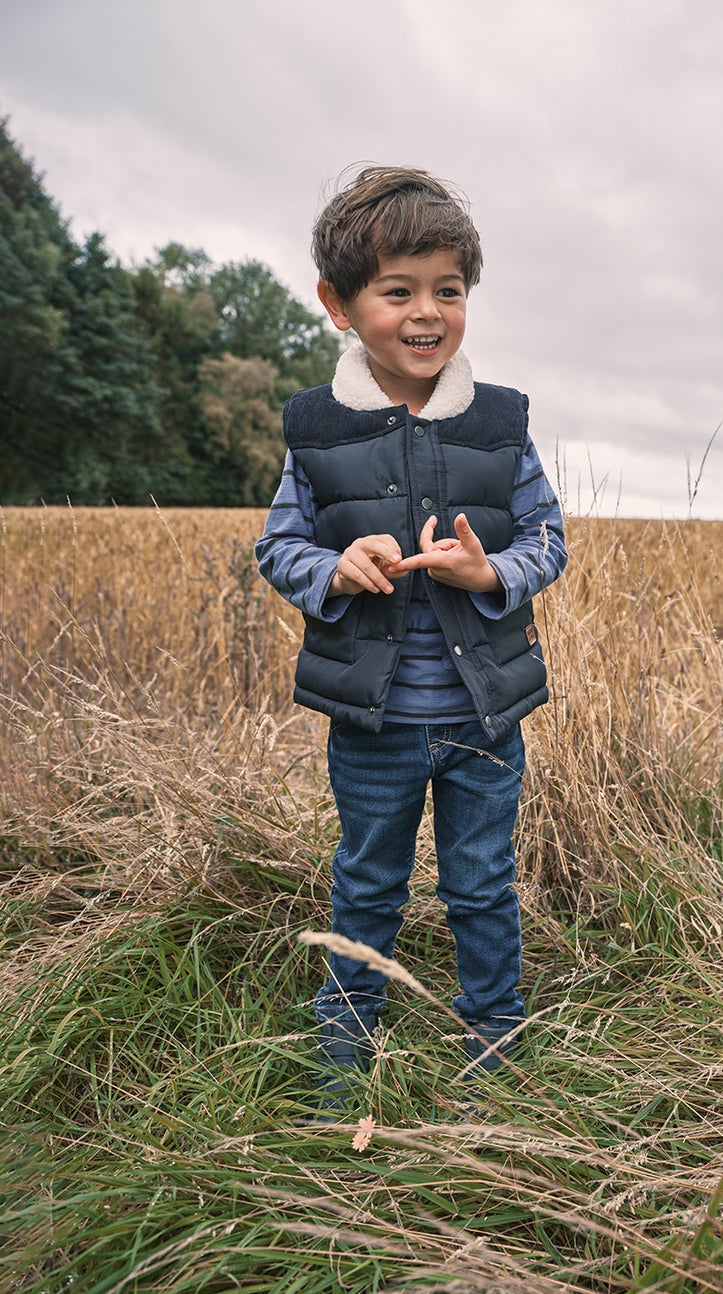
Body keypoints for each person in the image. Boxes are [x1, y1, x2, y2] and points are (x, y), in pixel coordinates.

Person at [255, 166, 567, 1115]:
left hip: (485, 717)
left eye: (448, 290)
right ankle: (346, 1043)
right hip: (374, 722)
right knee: (368, 883)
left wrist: (493, 573)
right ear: (340, 306)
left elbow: (549, 539)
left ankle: (494, 1040)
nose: (427, 313)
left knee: (480, 884)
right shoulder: (316, 427)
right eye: (399, 291)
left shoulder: (501, 422)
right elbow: (278, 544)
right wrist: (334, 569)